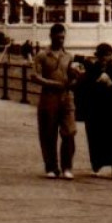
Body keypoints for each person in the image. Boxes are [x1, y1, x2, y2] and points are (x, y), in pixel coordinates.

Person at [29, 23, 80, 179]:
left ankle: (67, 167)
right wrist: (52, 84)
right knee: (48, 133)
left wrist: (76, 78)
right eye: (58, 37)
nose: (61, 40)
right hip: (49, 96)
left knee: (69, 131)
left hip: (66, 97)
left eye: (63, 37)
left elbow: (74, 77)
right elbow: (34, 76)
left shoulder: (69, 56)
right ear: (51, 36)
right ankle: (51, 166)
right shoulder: (42, 55)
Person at [78, 43, 112, 178]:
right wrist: (96, 82)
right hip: (95, 107)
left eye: (109, 55)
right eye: (105, 55)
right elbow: (86, 88)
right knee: (95, 136)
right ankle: (96, 165)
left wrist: (110, 84)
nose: (107, 58)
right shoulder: (91, 69)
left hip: (111, 107)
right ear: (99, 56)